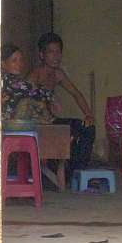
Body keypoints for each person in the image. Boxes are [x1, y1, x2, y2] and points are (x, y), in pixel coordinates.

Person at [28, 32, 95, 172]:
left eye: (58, 52)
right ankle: (69, 170)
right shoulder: (36, 74)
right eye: (51, 52)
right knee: (68, 133)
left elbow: (76, 94)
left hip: (52, 121)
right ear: (42, 55)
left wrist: (89, 115)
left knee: (87, 127)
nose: (56, 56)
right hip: (38, 124)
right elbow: (26, 101)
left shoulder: (58, 74)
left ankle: (79, 170)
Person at [1, 44, 53, 122]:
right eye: (14, 60)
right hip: (9, 126)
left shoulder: (19, 82)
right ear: (3, 64)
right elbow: (40, 93)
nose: (19, 64)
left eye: (21, 60)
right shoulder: (5, 82)